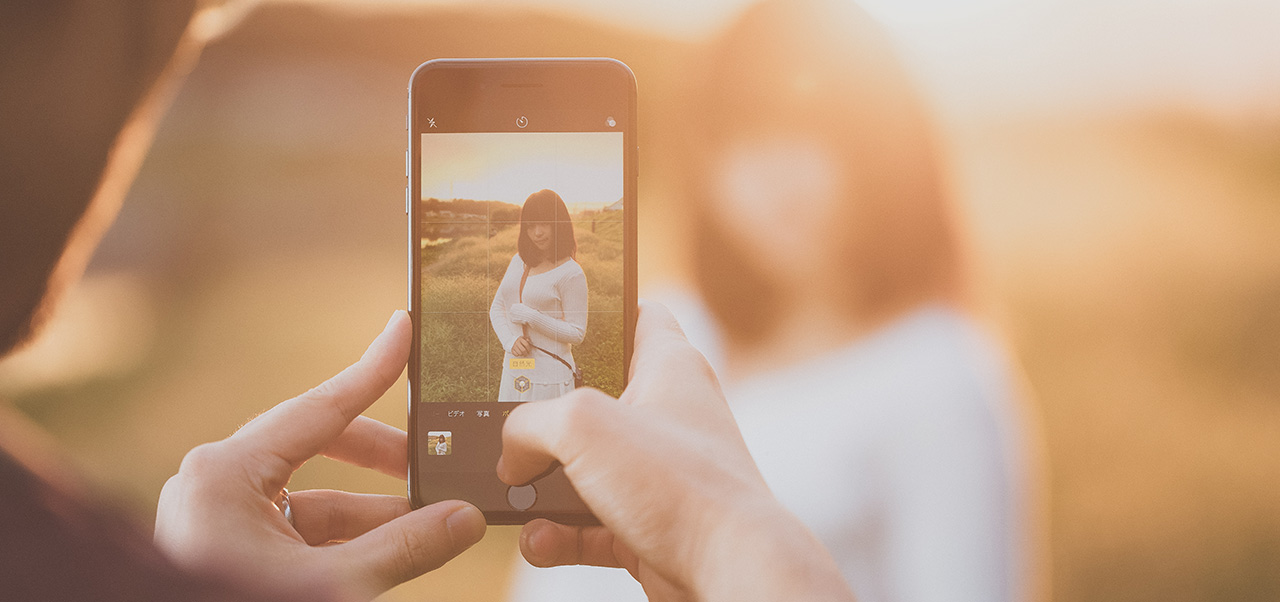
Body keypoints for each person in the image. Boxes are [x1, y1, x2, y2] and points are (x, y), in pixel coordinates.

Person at [0, 3, 857, 601]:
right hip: (525, 374)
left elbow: (561, 321)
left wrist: (186, 586)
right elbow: (496, 316)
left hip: (551, 375)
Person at [509, 1, 1046, 601]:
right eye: (741, 135)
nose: (777, 174)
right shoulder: (663, 320)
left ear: (886, 142)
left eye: (815, 129)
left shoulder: (941, 377)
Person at [490, 189, 588, 401]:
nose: (537, 233)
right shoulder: (519, 260)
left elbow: (577, 333)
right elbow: (497, 307)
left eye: (544, 223)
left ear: (558, 223)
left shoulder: (571, 273)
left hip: (549, 380)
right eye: (531, 225)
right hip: (514, 372)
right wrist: (509, 341)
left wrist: (531, 316)